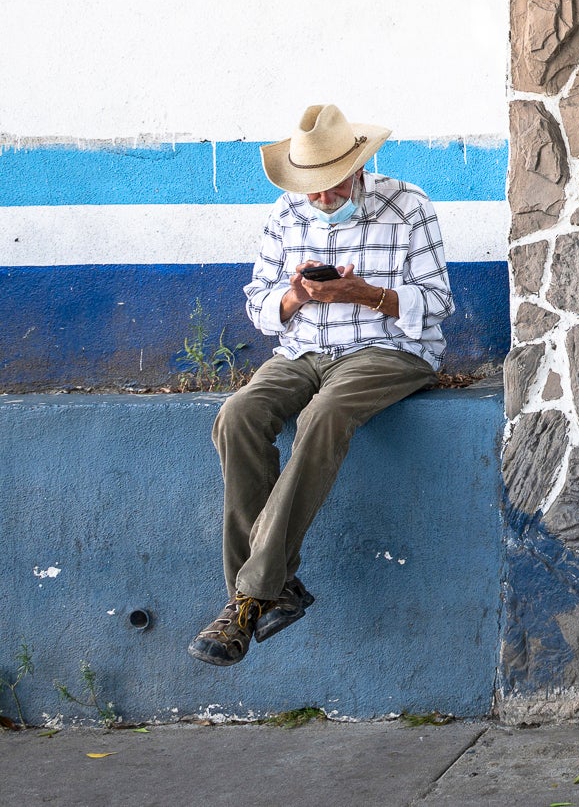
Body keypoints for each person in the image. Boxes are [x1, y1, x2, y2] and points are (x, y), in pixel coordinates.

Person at [187, 104, 454, 666]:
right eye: (311, 190)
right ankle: (270, 589)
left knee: (323, 415)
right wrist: (296, 297)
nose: (322, 200)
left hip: (389, 350)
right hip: (303, 350)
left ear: (356, 167)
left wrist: (369, 296)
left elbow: (438, 302)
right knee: (237, 415)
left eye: (332, 188)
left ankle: (247, 598)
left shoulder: (409, 207)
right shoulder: (285, 213)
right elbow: (261, 306)